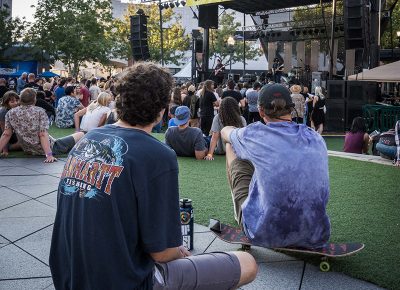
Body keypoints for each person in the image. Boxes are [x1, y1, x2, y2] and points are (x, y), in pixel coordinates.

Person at [49, 62, 257, 290]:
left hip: (68, 276)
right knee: (246, 263)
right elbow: (162, 253)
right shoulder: (157, 155)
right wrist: (175, 251)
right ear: (162, 109)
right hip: (123, 281)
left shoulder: (87, 140)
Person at [220, 83, 331, 248]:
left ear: (261, 111)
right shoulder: (315, 137)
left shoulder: (254, 134)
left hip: (265, 232)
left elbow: (224, 133)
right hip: (315, 233)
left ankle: (240, 214)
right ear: (291, 109)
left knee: (231, 146)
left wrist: (233, 131)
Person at [0, 88, 83, 162]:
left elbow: (6, 134)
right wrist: (49, 155)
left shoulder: (10, 113)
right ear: (34, 99)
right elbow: (42, 134)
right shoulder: (39, 111)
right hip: (51, 148)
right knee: (82, 134)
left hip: (28, 149)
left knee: (66, 139)